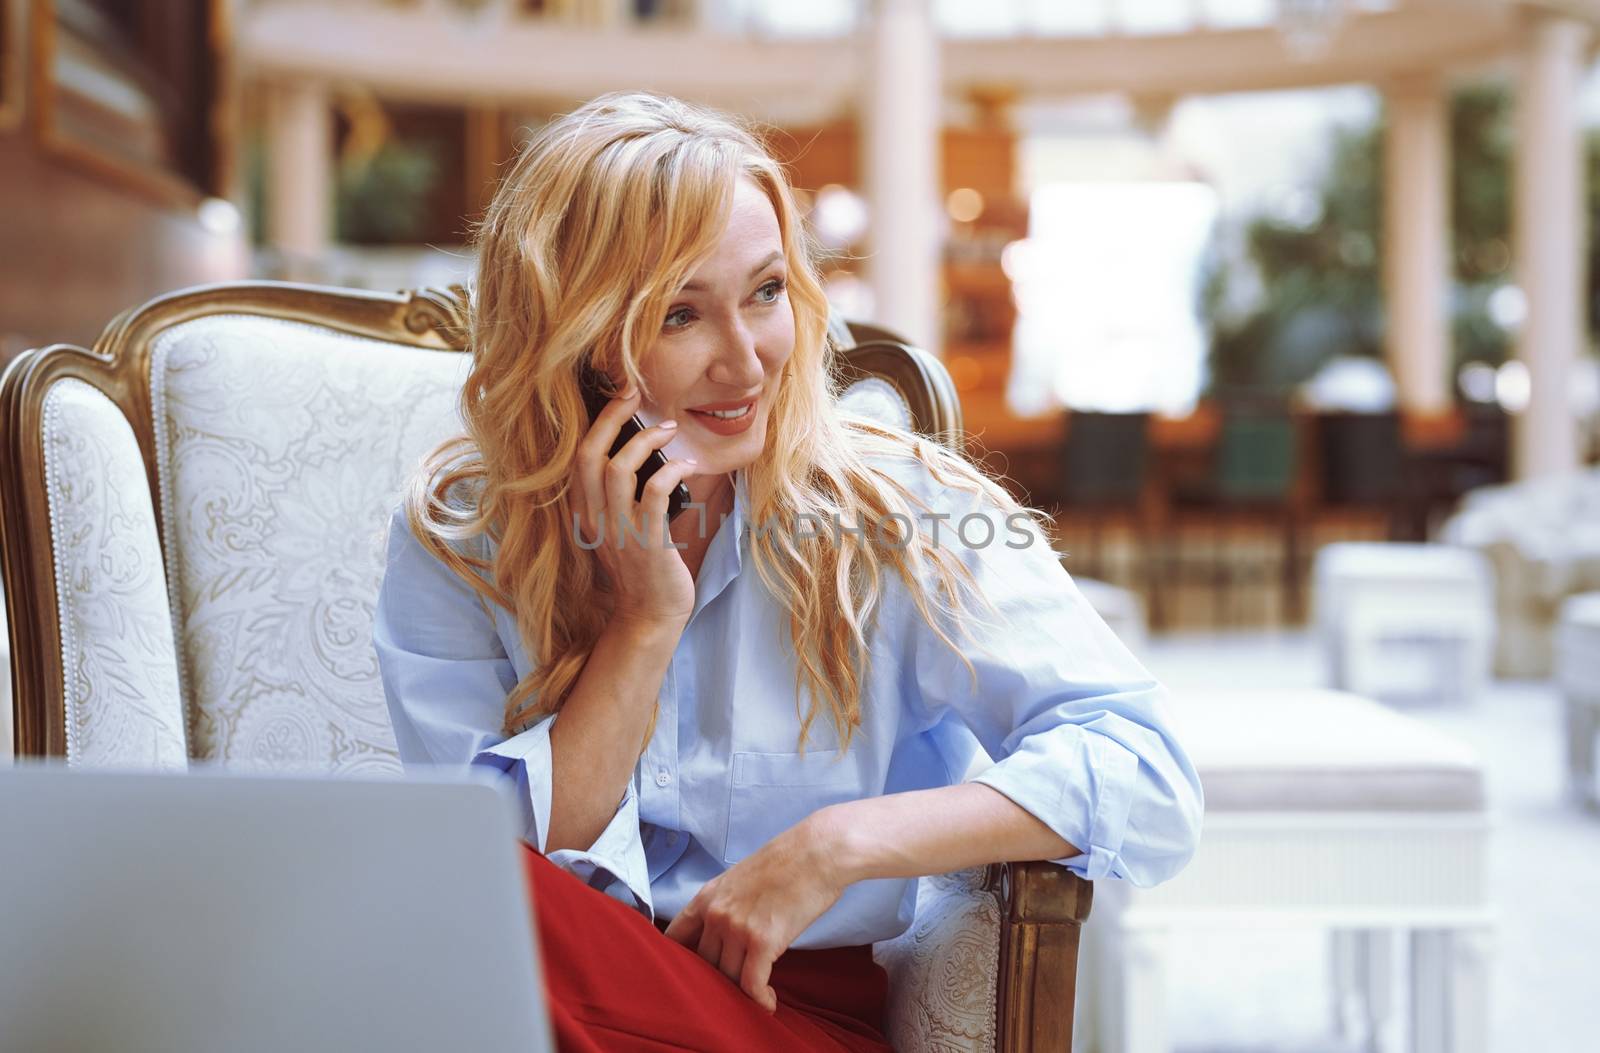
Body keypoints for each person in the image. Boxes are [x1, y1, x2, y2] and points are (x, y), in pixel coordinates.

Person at [373, 91, 1203, 1052]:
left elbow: (1145, 772)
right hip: (548, 1004)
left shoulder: (899, 509)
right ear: (576, 336)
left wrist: (836, 845)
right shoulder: (466, 533)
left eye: (766, 292)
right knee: (460, 887)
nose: (747, 361)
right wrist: (645, 624)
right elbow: (509, 884)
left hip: (788, 1018)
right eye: (681, 314)